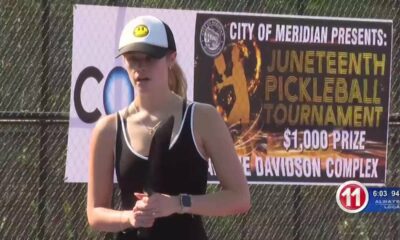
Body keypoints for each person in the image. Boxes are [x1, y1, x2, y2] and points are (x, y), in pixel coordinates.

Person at [86, 15, 250, 240]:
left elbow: (239, 198)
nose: (140, 68)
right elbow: (95, 214)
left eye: (150, 58)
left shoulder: (202, 118)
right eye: (133, 59)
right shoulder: (108, 128)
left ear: (171, 59)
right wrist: (130, 218)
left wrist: (178, 203)